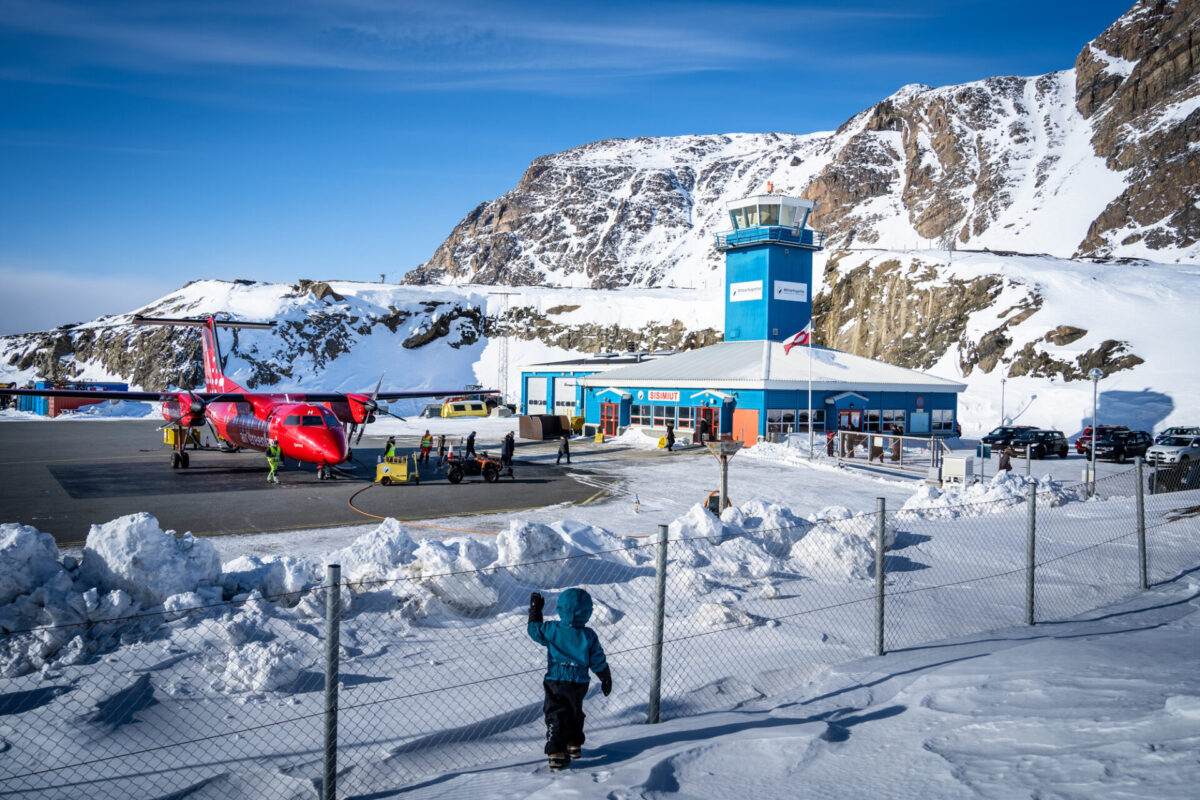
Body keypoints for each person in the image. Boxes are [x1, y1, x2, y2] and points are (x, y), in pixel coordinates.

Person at [527, 589, 612, 770]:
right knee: (574, 711)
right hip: (580, 681)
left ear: (560, 609)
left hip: (556, 679)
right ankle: (574, 745)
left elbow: (534, 631)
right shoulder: (589, 635)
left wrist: (535, 611)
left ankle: (556, 752)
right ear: (587, 612)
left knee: (556, 714)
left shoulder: (552, 629)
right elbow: (597, 658)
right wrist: (605, 675)